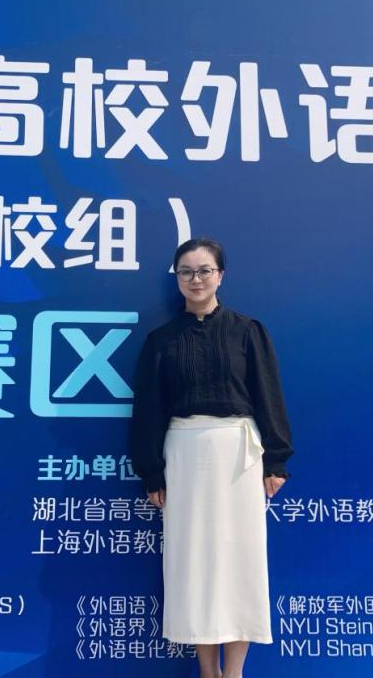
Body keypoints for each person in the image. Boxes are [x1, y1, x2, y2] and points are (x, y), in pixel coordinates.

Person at [128, 237, 294, 678]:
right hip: (184, 453)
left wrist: (276, 460)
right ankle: (208, 670)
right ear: (177, 279)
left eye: (204, 270)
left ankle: (233, 671)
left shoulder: (247, 330)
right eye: (186, 272)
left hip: (239, 452)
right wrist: (151, 471)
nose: (195, 279)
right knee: (194, 560)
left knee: (241, 559)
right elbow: (148, 410)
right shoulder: (161, 341)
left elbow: (269, 395)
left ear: (220, 275)